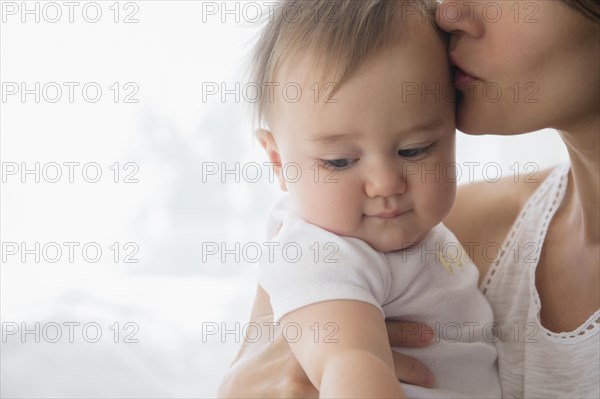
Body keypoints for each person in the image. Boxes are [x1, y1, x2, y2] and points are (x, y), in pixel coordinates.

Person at [219, 0, 600, 397]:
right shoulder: (335, 248)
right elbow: (345, 363)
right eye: (339, 161)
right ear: (278, 161)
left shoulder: (435, 233)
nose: (448, 12)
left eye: (415, 150)